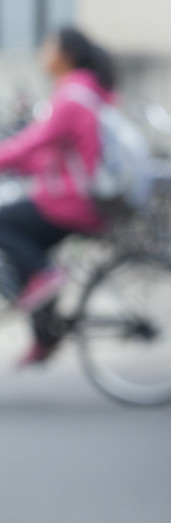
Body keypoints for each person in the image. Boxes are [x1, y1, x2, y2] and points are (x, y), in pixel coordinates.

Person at [0, 25, 114, 365]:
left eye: (48, 46)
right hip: (81, 197)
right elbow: (56, 154)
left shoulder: (70, 97)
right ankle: (44, 335)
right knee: (26, 258)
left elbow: (32, 142)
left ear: (66, 55)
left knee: (6, 225)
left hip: (72, 203)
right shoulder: (88, 91)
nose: (43, 53)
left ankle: (44, 279)